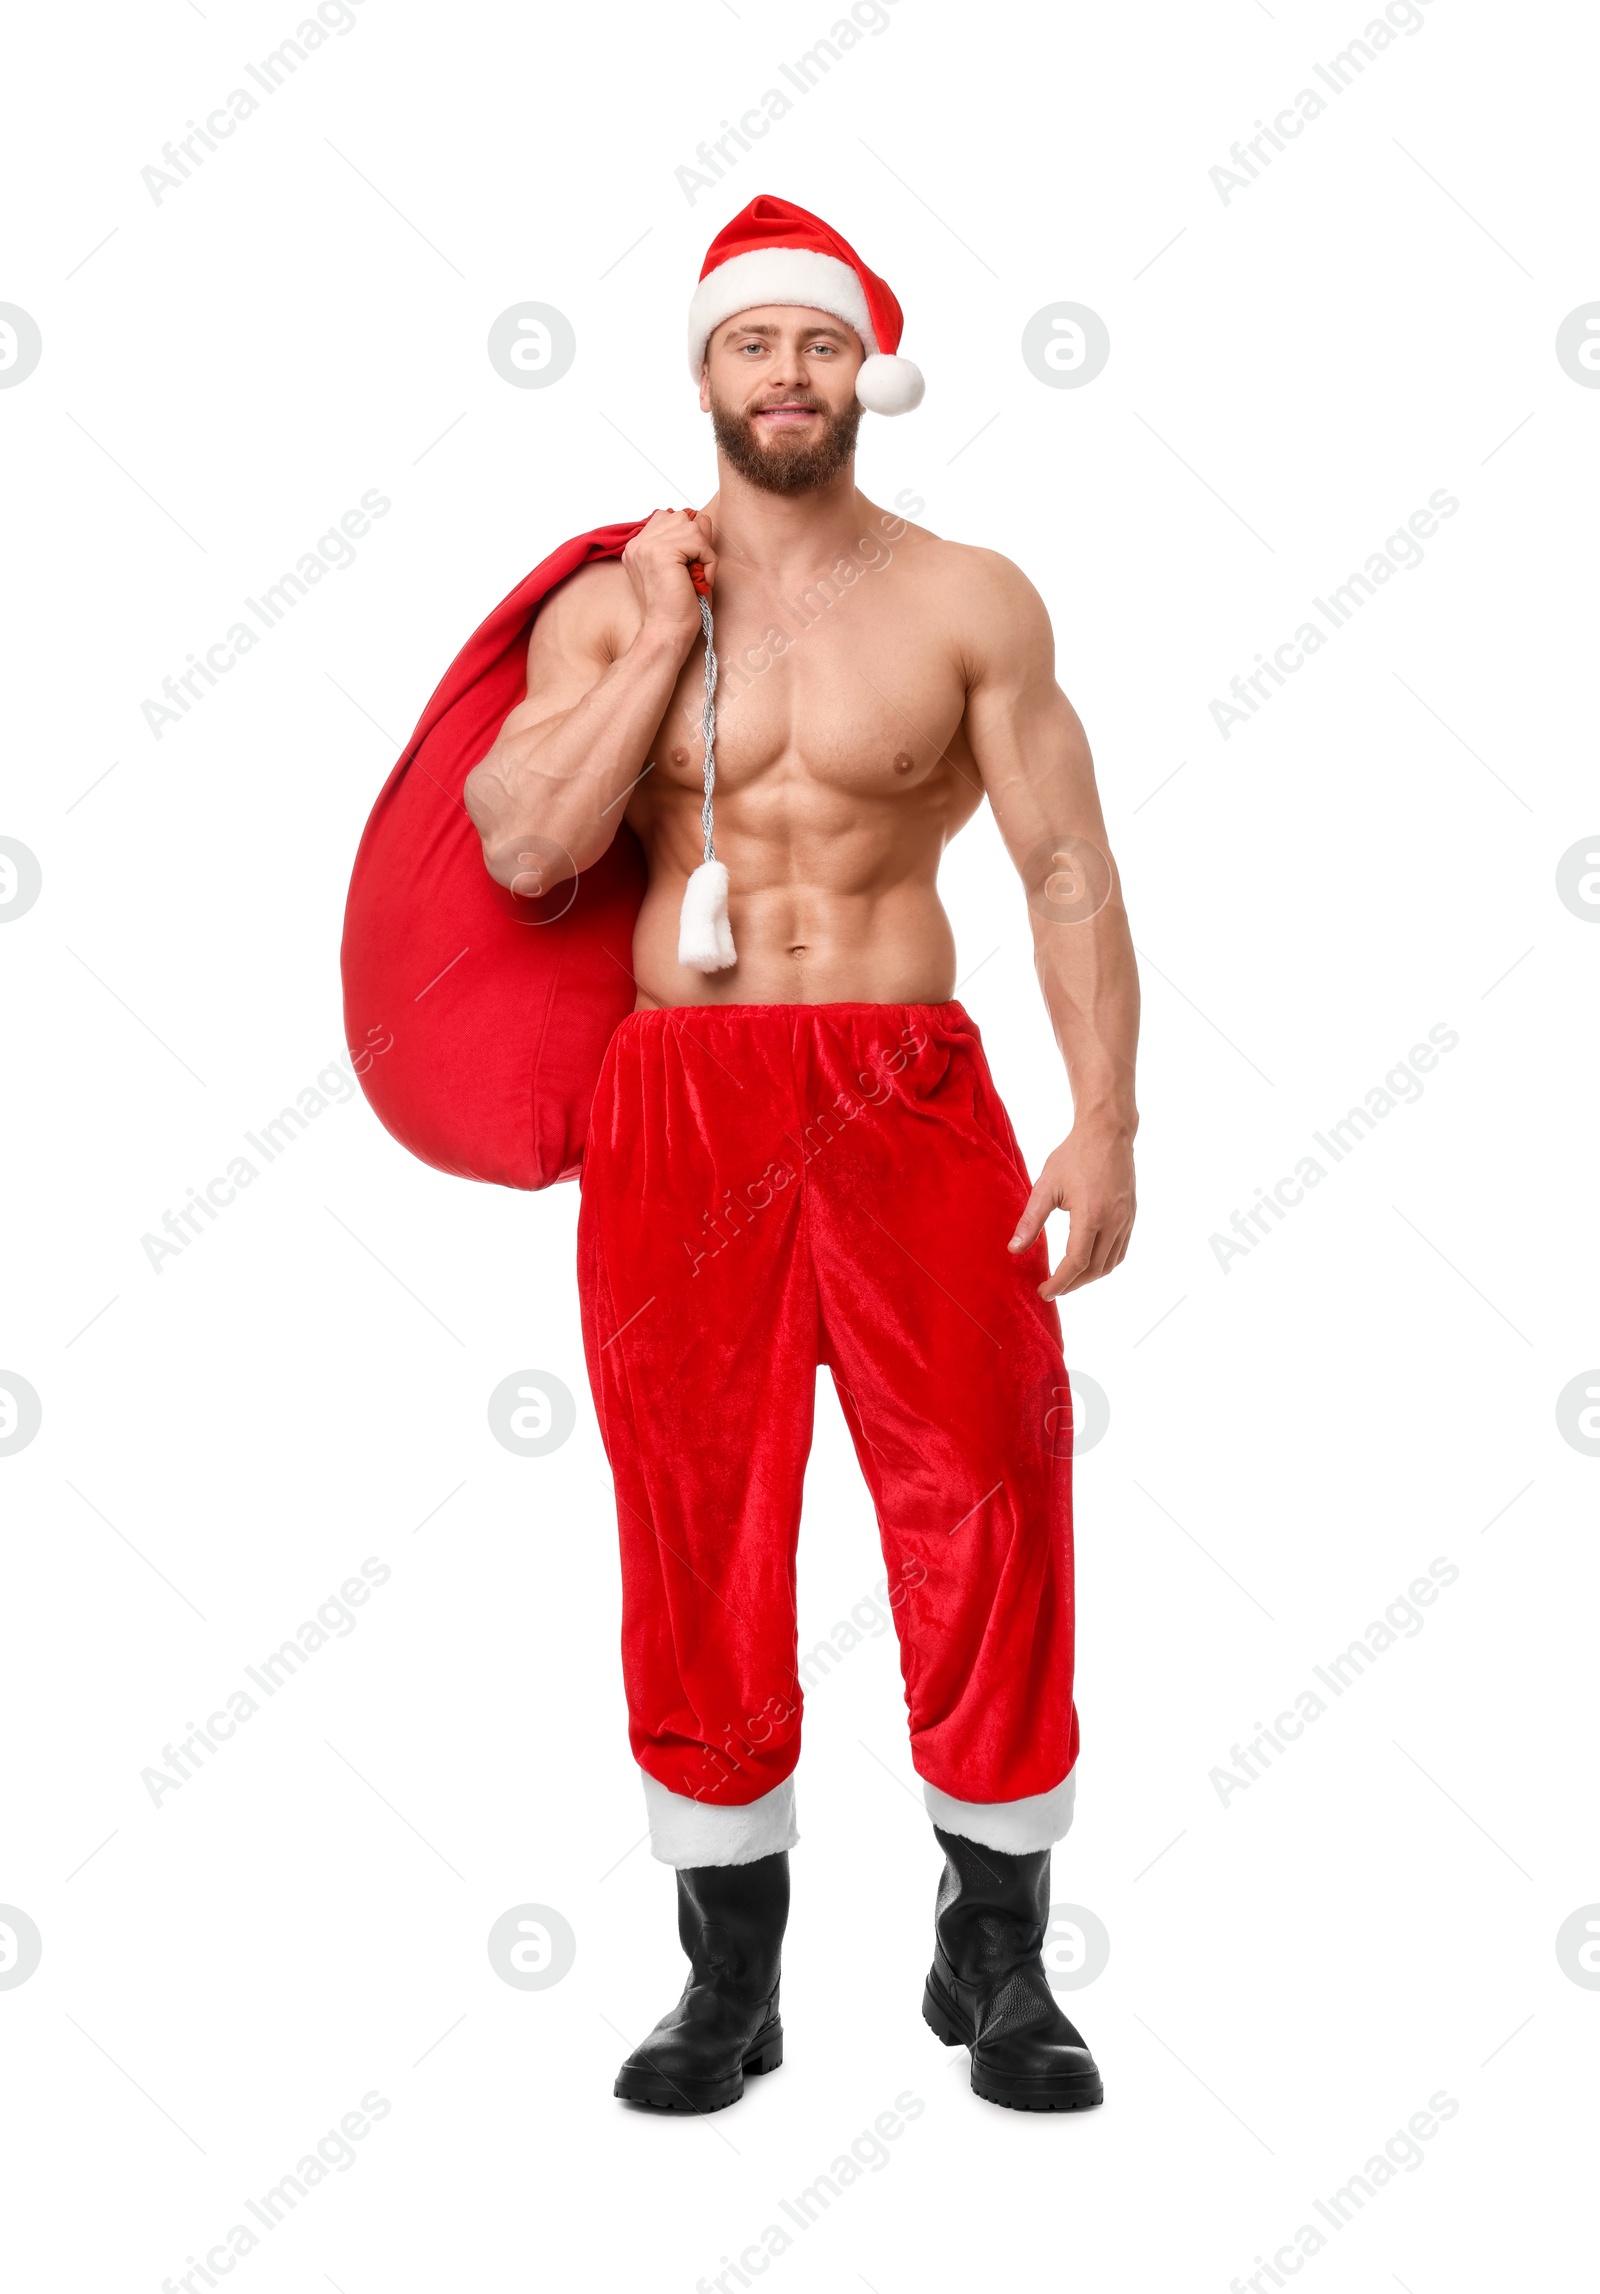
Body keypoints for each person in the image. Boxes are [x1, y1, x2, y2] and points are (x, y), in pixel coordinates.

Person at [463, 195, 1140, 2114]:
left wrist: (1104, 1112)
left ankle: (997, 1952)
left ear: (870, 376)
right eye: (755, 345)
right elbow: (522, 846)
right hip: (683, 1101)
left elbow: (1064, 861)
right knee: (697, 1513)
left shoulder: (966, 597)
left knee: (994, 1486)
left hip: (910, 1086)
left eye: (821, 345)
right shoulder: (614, 601)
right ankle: (727, 1978)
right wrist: (662, 629)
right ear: (703, 375)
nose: (789, 374)